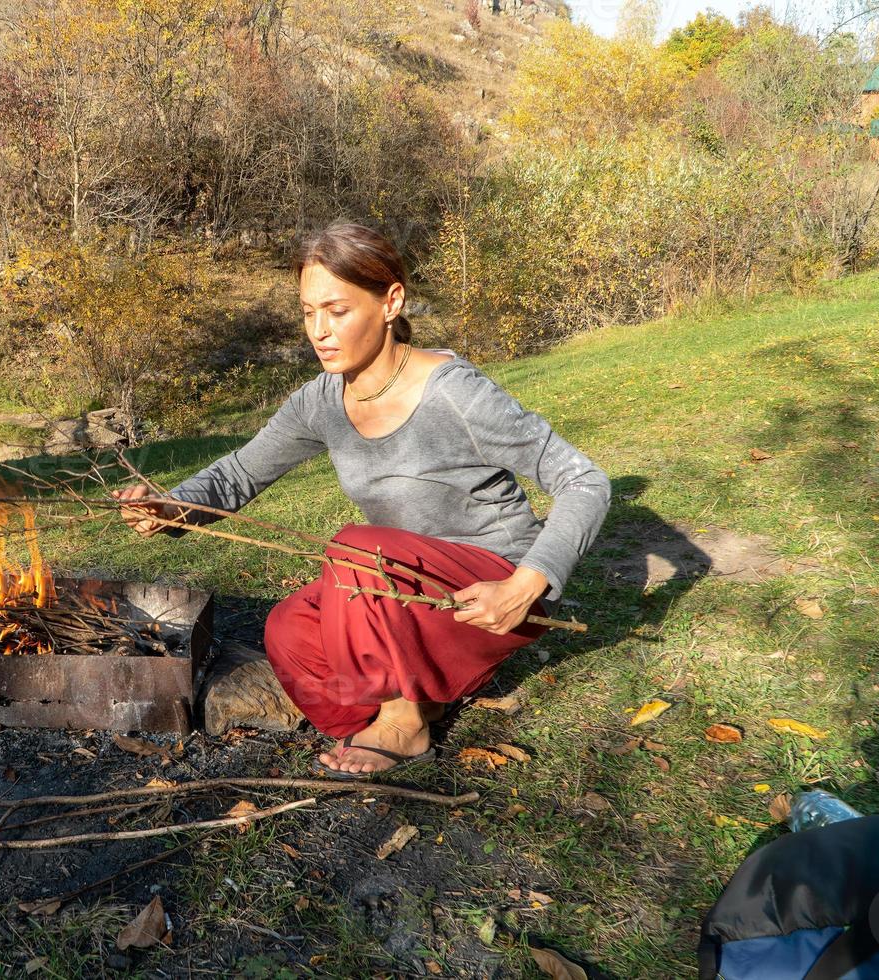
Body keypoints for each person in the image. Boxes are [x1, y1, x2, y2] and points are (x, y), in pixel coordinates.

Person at [112, 222, 610, 776]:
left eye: (337, 310)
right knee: (289, 629)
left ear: (391, 300)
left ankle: (405, 723)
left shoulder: (456, 393)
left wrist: (526, 583)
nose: (319, 332)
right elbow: (236, 474)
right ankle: (420, 696)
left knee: (354, 551)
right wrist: (170, 507)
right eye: (308, 312)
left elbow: (585, 481)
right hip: (397, 595)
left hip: (493, 593)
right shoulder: (320, 401)